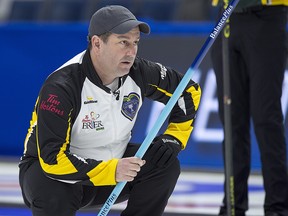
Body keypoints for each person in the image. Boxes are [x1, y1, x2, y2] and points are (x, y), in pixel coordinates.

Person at [18, 5, 201, 216]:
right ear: (97, 43)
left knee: (164, 164)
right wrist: (112, 170)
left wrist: (174, 139)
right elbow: (52, 160)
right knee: (51, 189)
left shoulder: (139, 72)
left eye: (135, 43)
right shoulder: (61, 87)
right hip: (61, 177)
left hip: (114, 168)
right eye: (123, 42)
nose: (131, 52)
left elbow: (188, 90)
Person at [211, 0, 288, 216]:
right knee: (231, 119)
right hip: (226, 16)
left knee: (266, 119)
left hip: (266, 17)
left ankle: (277, 207)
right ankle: (233, 206)